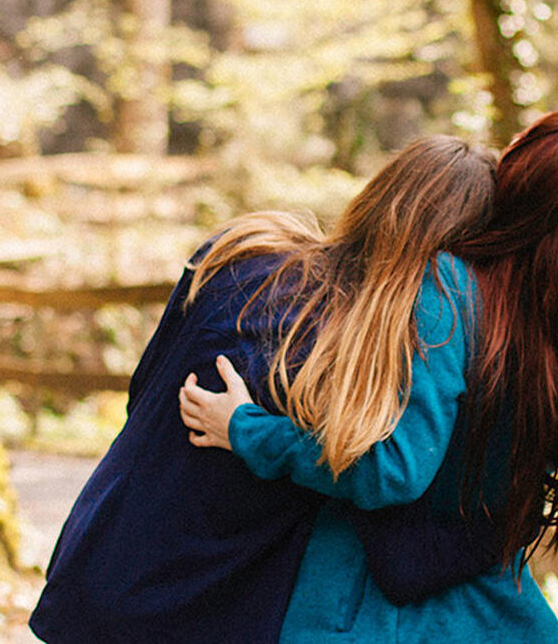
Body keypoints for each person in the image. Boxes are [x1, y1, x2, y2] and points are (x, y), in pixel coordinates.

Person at [180, 107, 558, 641]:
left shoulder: (454, 290)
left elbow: (391, 470)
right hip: (488, 601)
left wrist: (247, 430)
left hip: (375, 600)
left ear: (529, 193)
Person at [29, 135, 496, 644]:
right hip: (203, 597)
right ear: (460, 254)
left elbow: (146, 386)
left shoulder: (241, 248)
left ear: (378, 194)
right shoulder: (365, 354)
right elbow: (380, 475)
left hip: (107, 543)